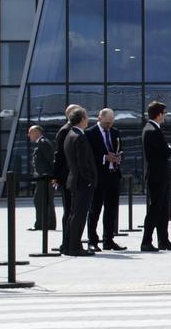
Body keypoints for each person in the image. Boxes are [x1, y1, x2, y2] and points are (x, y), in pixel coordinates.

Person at [86, 108, 125, 251]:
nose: (109, 125)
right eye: (107, 122)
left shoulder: (115, 132)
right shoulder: (90, 133)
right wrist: (104, 157)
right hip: (99, 176)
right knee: (95, 208)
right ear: (99, 118)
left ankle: (108, 239)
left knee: (111, 209)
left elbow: (120, 148)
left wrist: (118, 157)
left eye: (111, 122)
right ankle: (92, 240)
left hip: (113, 174)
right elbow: (88, 155)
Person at [61, 107, 98, 257]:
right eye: (86, 117)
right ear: (82, 119)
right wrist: (89, 180)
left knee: (73, 214)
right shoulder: (79, 137)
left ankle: (68, 245)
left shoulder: (70, 135)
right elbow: (83, 163)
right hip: (82, 182)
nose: (88, 120)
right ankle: (75, 247)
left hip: (75, 180)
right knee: (79, 215)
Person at [141, 101, 171, 252]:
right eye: (164, 113)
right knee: (155, 208)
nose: (165, 116)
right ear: (158, 114)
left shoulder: (152, 129)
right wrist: (168, 147)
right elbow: (165, 152)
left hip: (160, 174)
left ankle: (163, 240)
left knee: (163, 209)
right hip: (157, 175)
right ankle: (146, 241)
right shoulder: (153, 130)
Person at [53, 107, 80, 231]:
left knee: (74, 208)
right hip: (67, 176)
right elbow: (59, 155)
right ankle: (67, 238)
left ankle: (72, 237)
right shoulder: (65, 130)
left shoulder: (75, 130)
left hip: (74, 175)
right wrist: (56, 176)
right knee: (69, 208)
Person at [28, 125, 56, 233]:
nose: (29, 135)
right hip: (43, 178)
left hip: (46, 178)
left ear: (36, 132)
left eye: (30, 132)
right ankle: (46, 224)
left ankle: (43, 224)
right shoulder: (41, 143)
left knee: (41, 200)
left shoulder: (43, 142)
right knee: (44, 200)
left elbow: (51, 160)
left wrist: (53, 176)